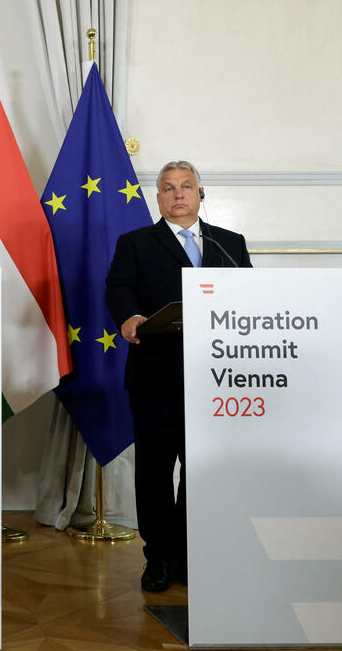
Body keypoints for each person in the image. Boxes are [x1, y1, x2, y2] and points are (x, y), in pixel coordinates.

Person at [105, 160, 251, 592]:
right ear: (158, 198)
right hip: (156, 376)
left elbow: (247, 295)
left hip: (215, 377)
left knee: (200, 470)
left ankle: (189, 553)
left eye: (186, 186)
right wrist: (130, 315)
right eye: (168, 188)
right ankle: (159, 557)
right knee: (154, 470)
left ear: (201, 194)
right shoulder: (136, 242)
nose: (178, 194)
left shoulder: (230, 243)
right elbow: (118, 287)